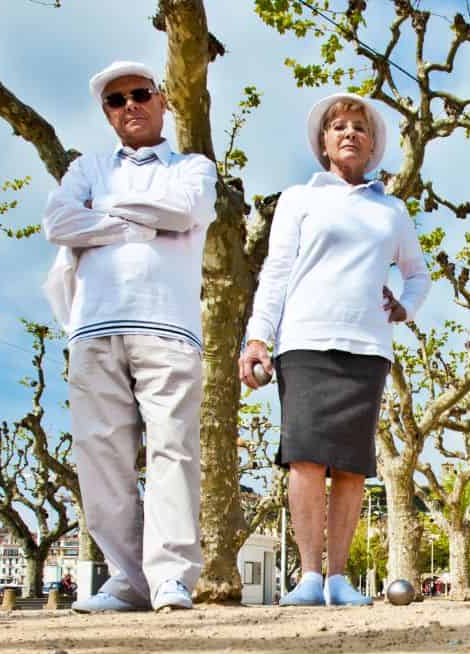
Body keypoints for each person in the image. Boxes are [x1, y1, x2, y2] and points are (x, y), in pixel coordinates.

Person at [239, 93, 429, 607]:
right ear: (323, 142)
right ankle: (307, 576)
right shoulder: (299, 199)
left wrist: (405, 308)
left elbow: (418, 272)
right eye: (338, 126)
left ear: (372, 146)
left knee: (350, 463)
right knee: (304, 458)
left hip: (367, 346)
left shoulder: (392, 209)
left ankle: (340, 578)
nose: (349, 134)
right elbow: (275, 272)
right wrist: (258, 337)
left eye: (359, 129)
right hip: (303, 342)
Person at [42, 61, 217, 613]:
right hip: (92, 325)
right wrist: (138, 223)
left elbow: (185, 210)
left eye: (140, 94)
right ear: (107, 114)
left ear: (162, 101)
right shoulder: (86, 167)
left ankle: (170, 576)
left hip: (167, 325)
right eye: (117, 101)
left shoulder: (192, 167)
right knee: (100, 455)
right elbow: (56, 222)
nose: (130, 106)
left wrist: (102, 210)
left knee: (172, 450)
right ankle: (127, 577)